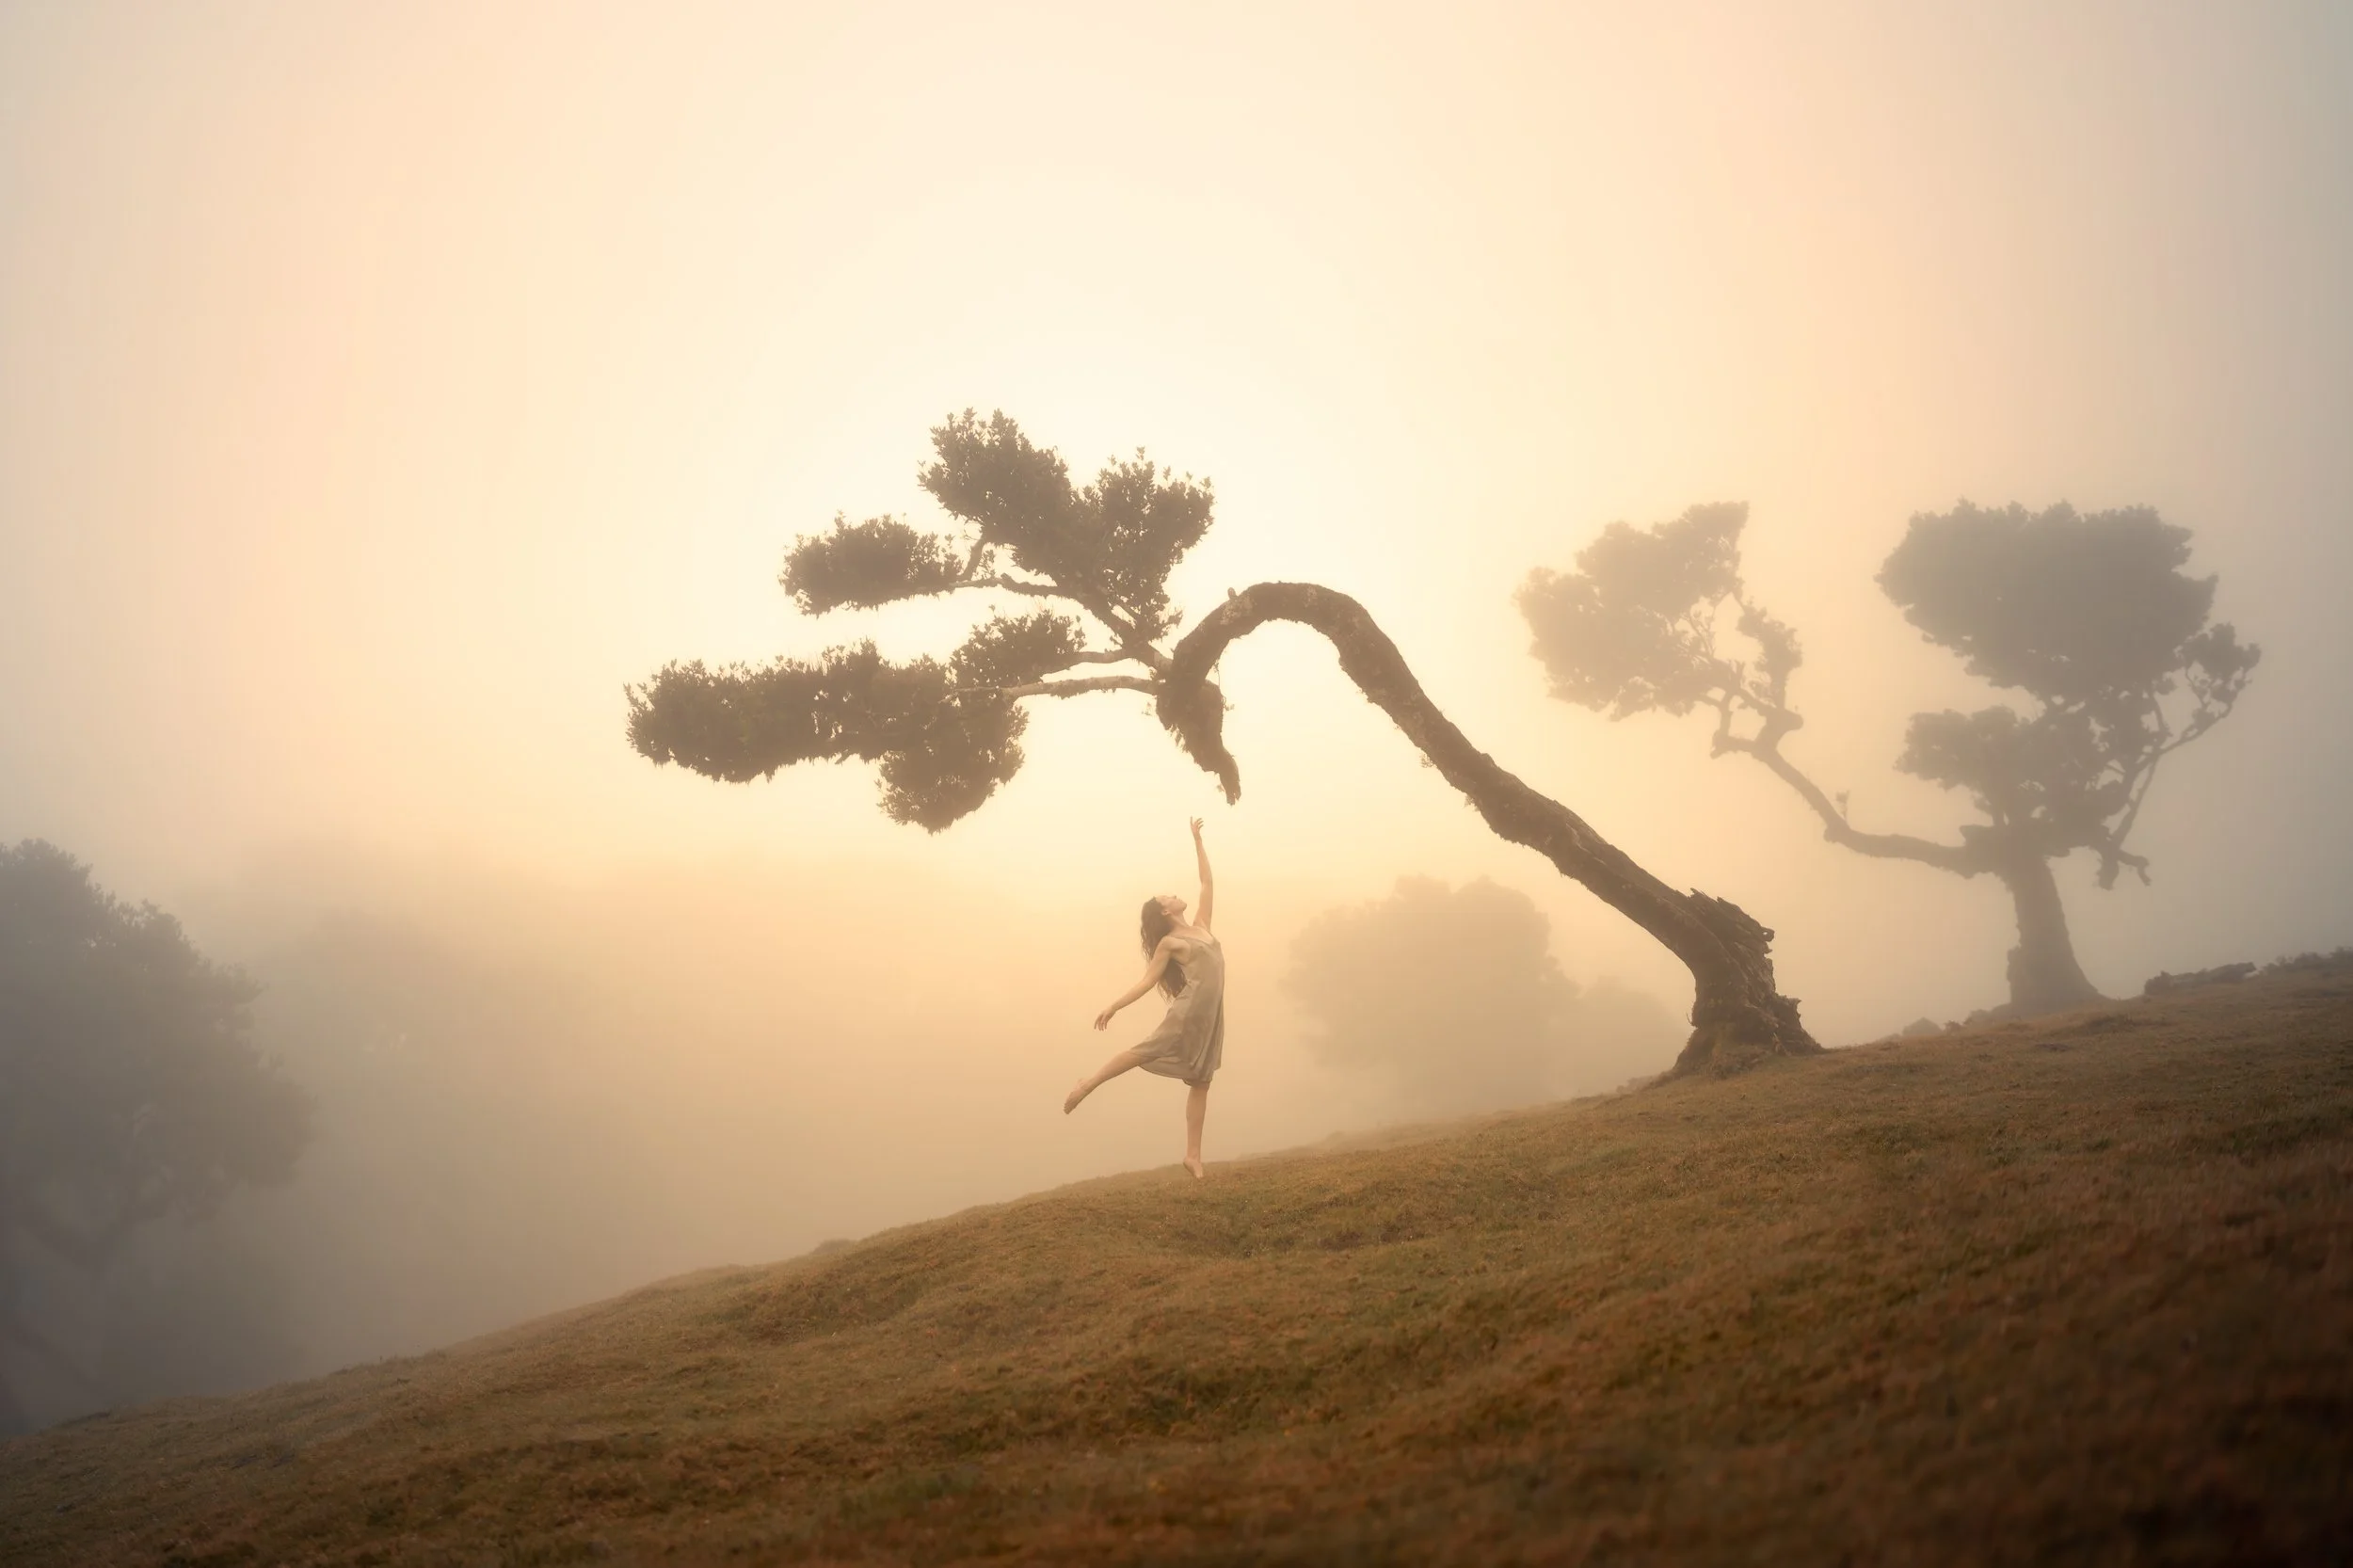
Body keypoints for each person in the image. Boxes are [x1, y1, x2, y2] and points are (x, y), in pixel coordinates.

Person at [1064, 816, 1225, 1178]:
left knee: (1202, 1081)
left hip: (1211, 1018)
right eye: (1167, 896)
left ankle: (1193, 1156)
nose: (1174, 894)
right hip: (1188, 1015)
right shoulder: (1170, 943)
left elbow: (1207, 882)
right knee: (1143, 1052)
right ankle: (1087, 1084)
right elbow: (1146, 982)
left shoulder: (1201, 926)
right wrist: (1114, 1006)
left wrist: (1197, 841)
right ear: (1166, 911)